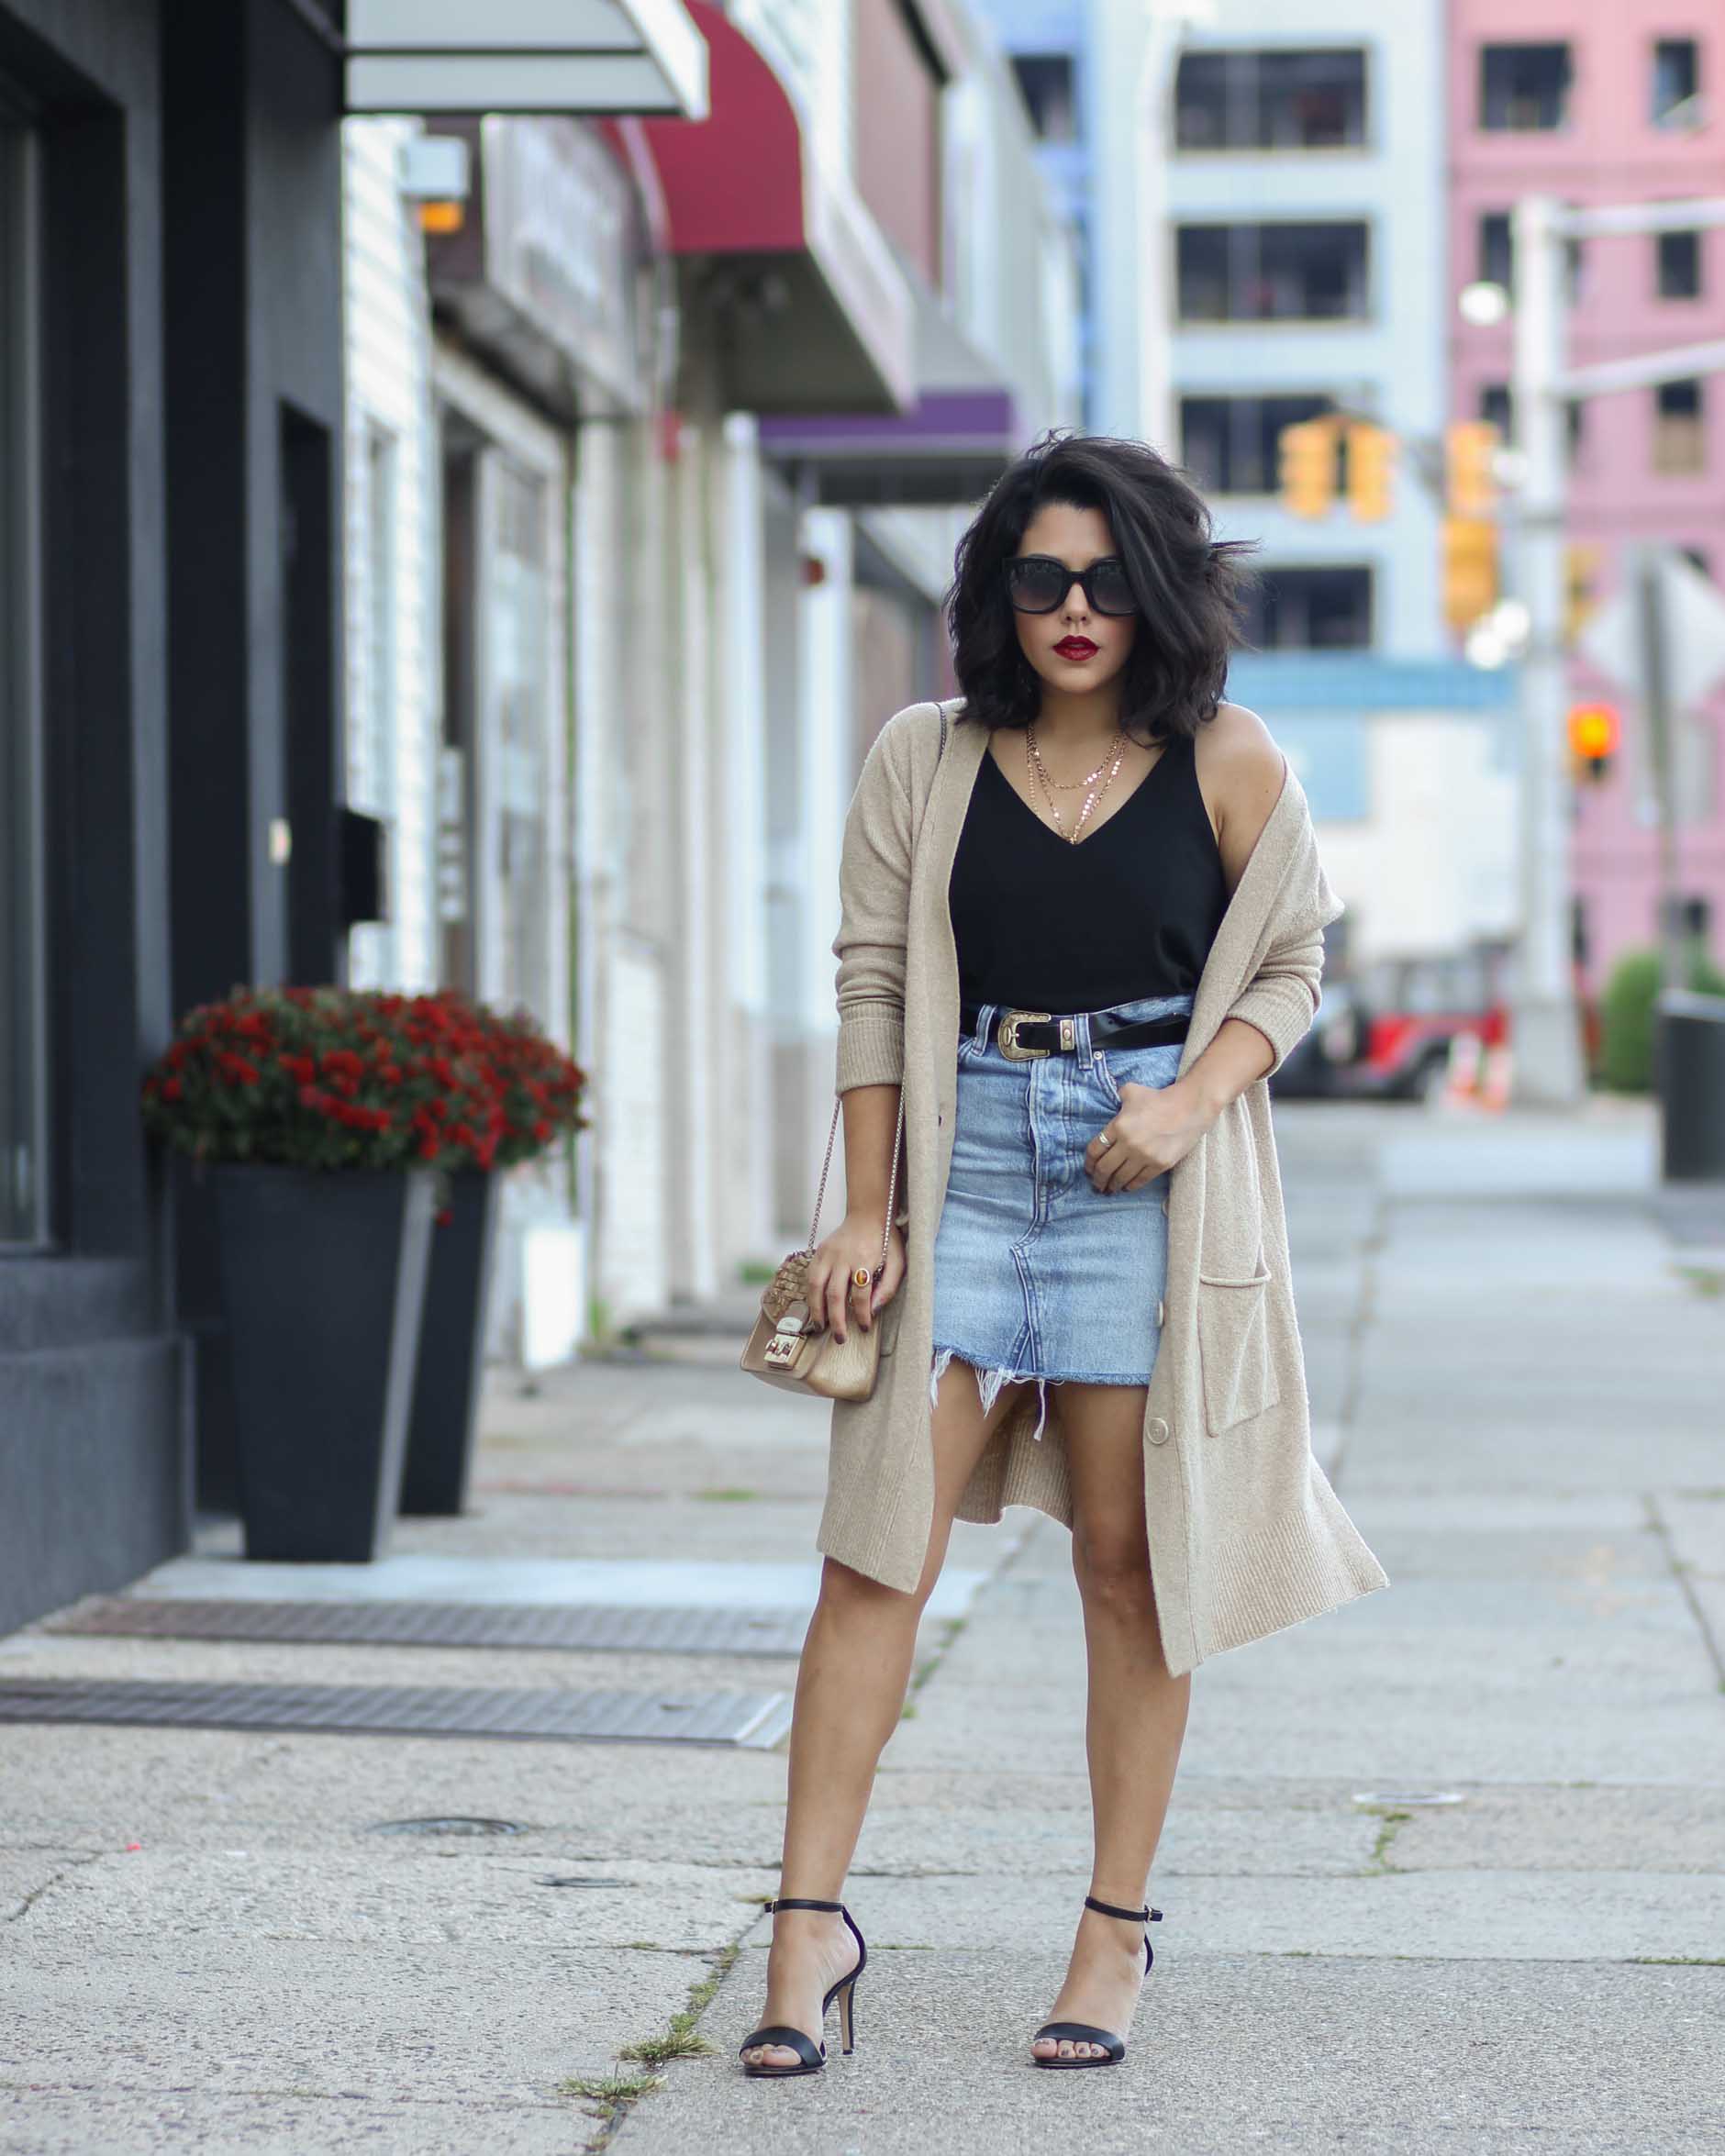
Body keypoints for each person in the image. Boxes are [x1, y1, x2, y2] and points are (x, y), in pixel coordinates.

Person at [739, 430, 1388, 2079]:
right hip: (963, 1158)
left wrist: (1186, 1104)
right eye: (1043, 578)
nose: (1076, 607)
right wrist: (866, 1206)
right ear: (1000, 597)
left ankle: (1113, 1934)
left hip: (1135, 1175)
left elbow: (1293, 965)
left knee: (1127, 1561)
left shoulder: (1230, 759)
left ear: (1156, 587)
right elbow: (876, 978)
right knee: (874, 1552)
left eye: (1107, 578)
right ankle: (807, 1925)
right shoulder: (925, 754)